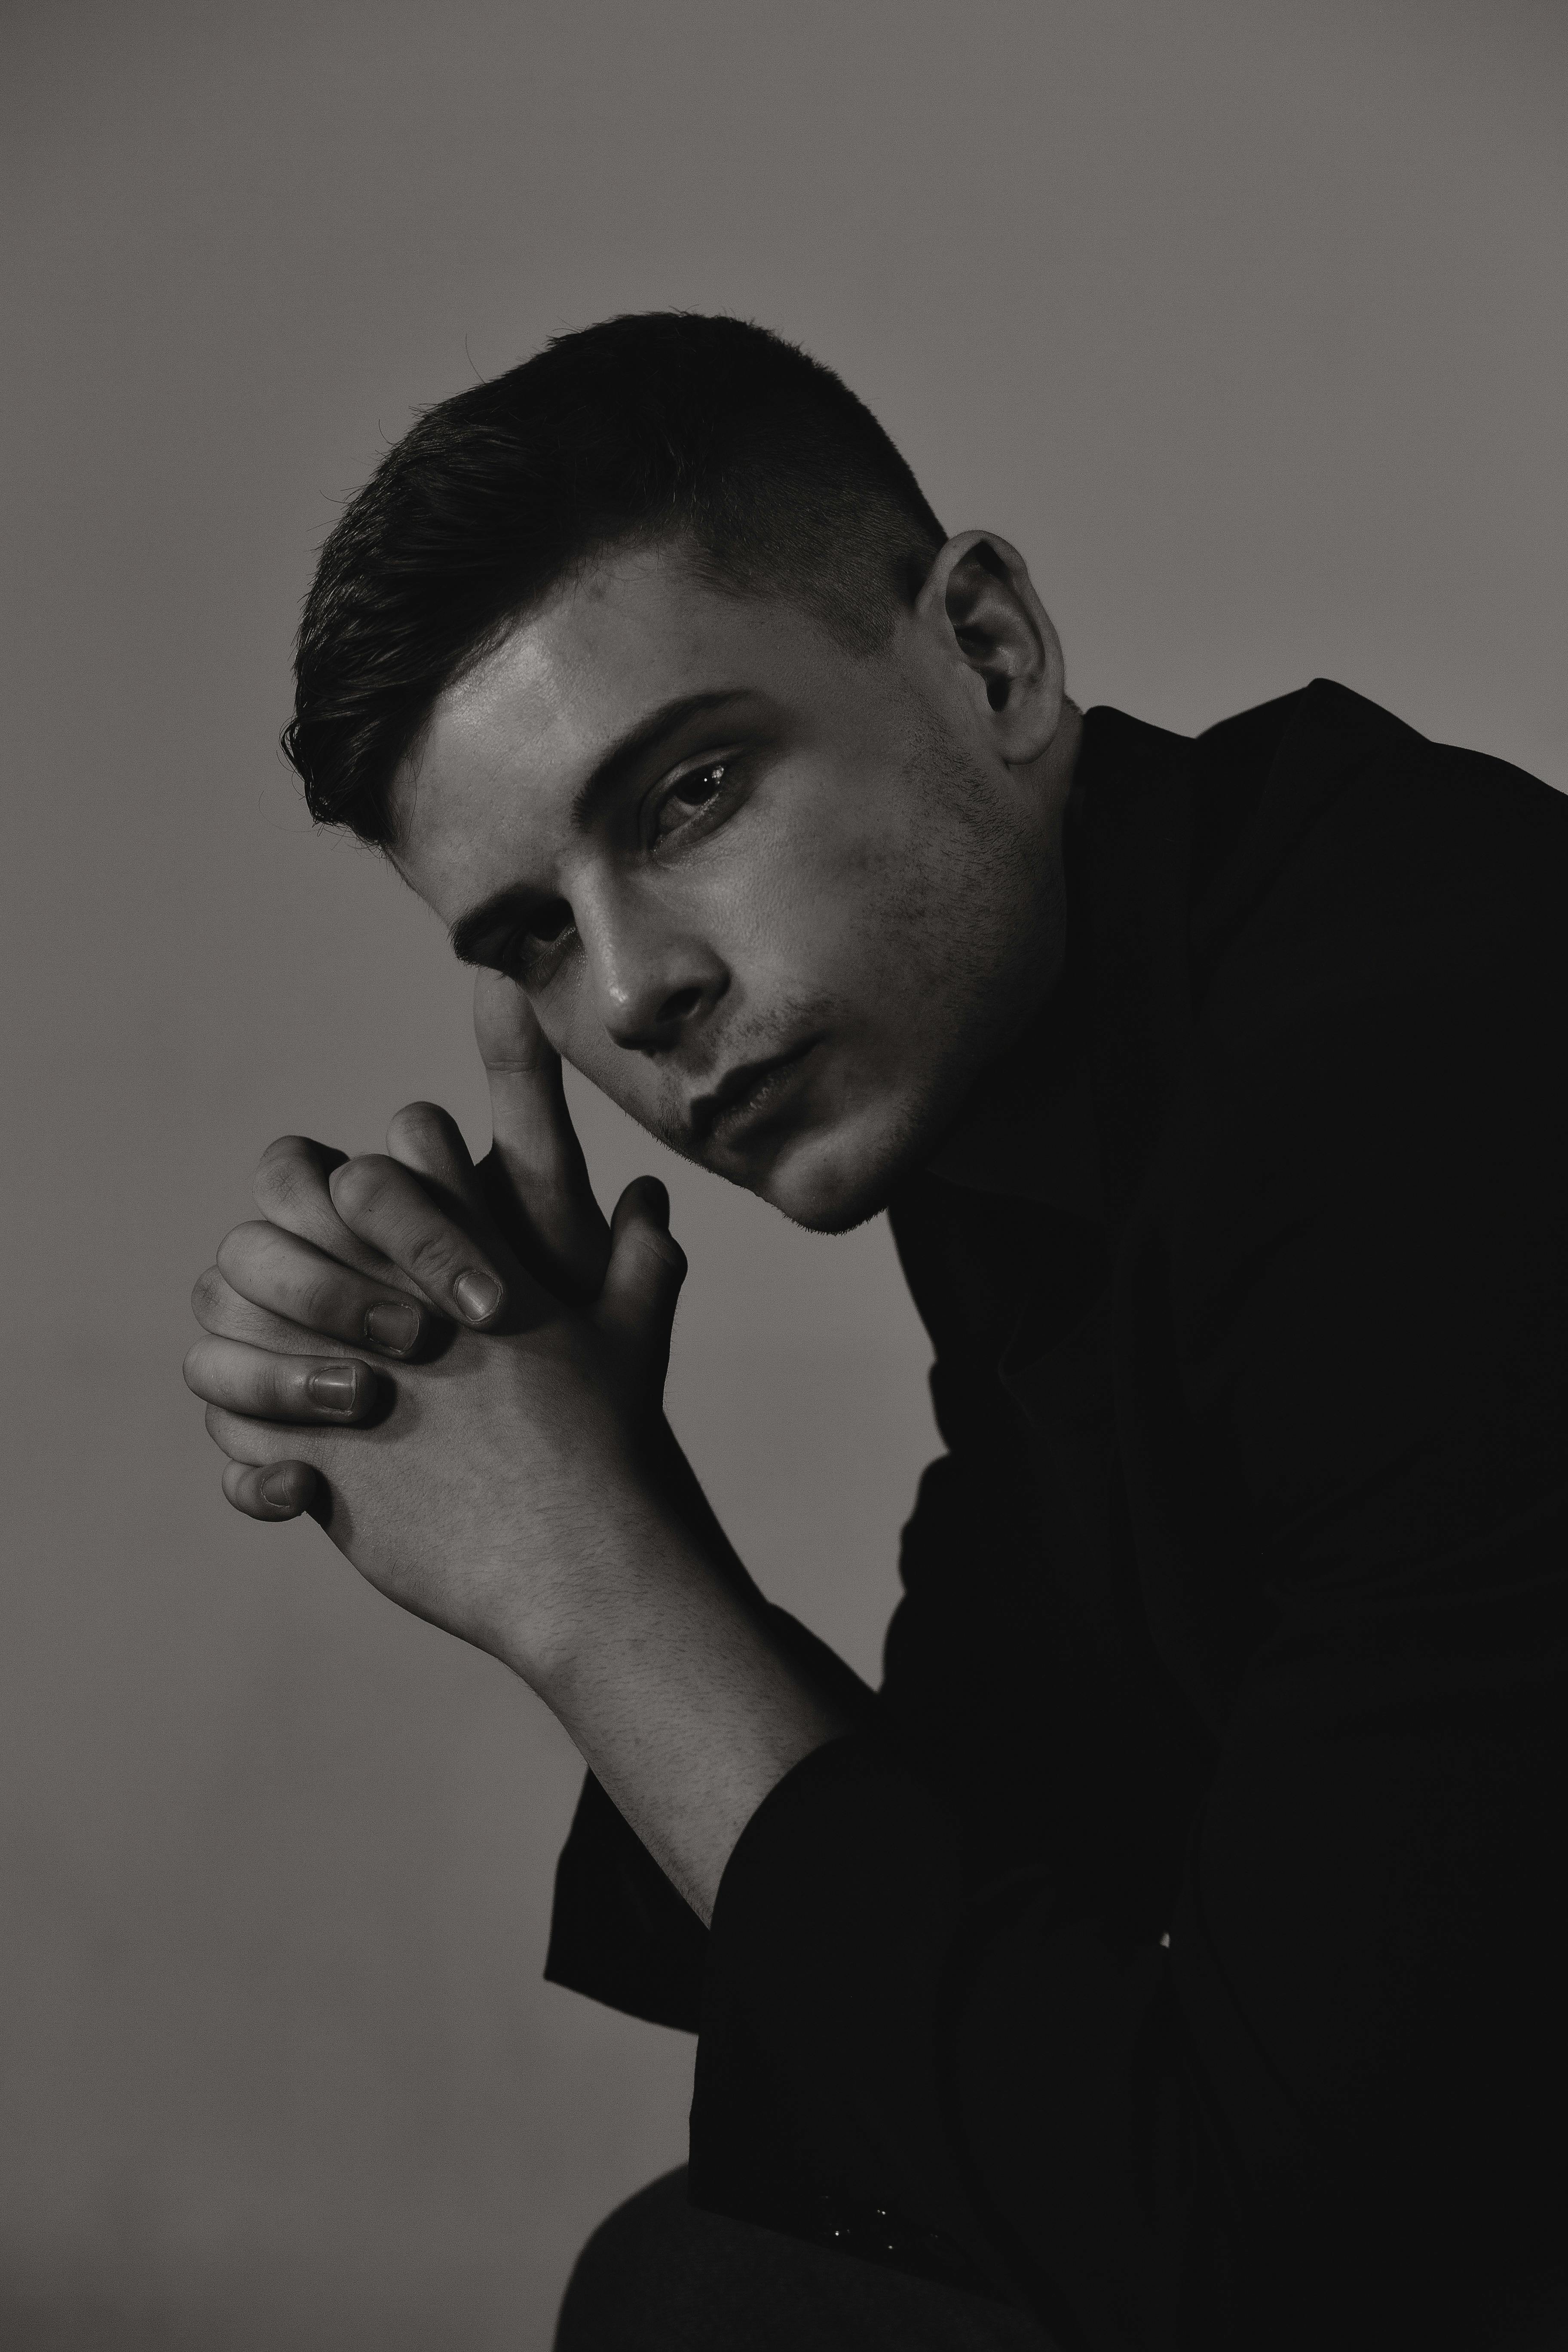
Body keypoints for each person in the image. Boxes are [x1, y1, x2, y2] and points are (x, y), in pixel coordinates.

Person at [183, 313, 1568, 2350]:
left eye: (690, 795)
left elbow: (1263, 2238)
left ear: (991, 657)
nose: (636, 994)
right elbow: (932, 2035)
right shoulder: (1039, 1082)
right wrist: (615, 1480)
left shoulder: (1429, 1072)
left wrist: (592, 1582)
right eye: (533, 937)